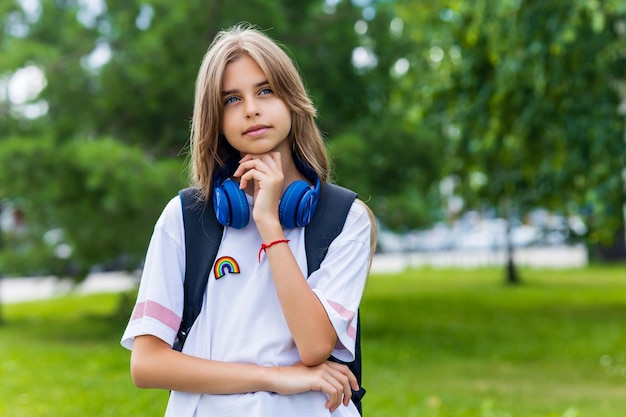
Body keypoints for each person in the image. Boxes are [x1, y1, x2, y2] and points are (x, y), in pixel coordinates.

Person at [121, 23, 376, 417]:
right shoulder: (186, 218)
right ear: (216, 119)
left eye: (265, 90)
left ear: (292, 100)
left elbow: (314, 346)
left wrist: (270, 226)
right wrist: (273, 377)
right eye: (231, 99)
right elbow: (147, 363)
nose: (251, 108)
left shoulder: (346, 218)